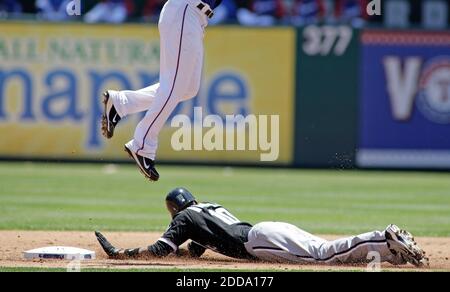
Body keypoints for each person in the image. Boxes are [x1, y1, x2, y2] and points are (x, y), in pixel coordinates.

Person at [95, 187, 428, 267]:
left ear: (173, 212)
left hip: (258, 242)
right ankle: (390, 251)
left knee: (323, 257)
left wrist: (119, 253)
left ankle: (383, 240)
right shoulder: (204, 211)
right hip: (264, 229)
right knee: (323, 250)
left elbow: (159, 252)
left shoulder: (185, 219)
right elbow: (194, 251)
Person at [101, 0, 223, 182]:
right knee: (174, 86)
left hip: (195, 17)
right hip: (186, 10)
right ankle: (142, 145)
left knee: (188, 88)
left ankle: (120, 103)